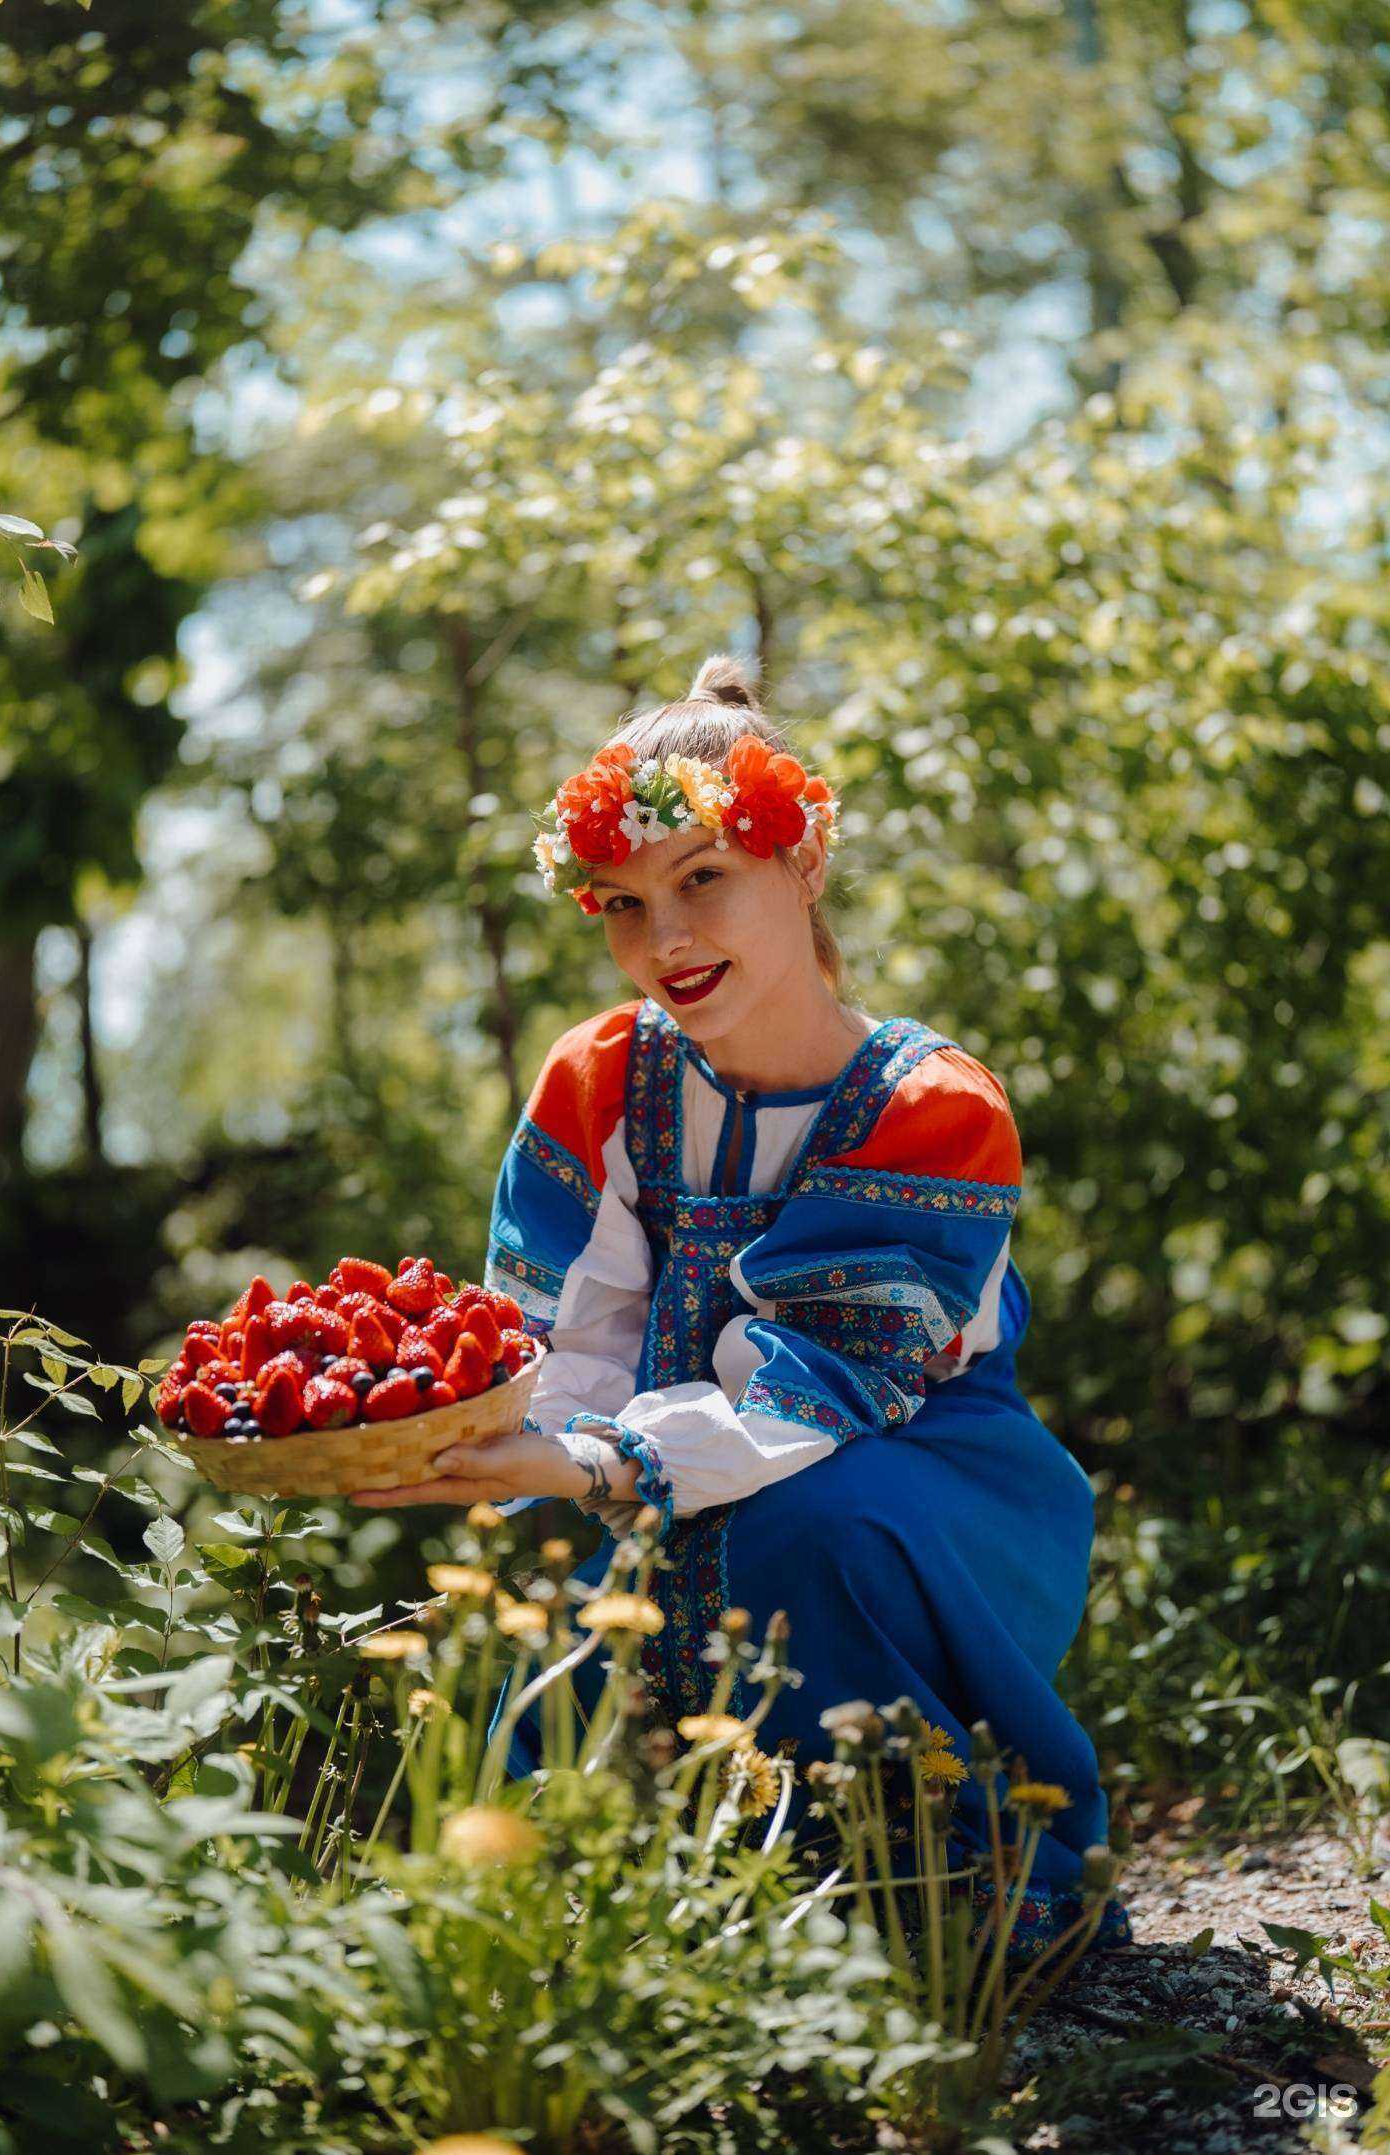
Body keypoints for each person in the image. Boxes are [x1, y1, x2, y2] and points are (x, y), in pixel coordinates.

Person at [353, 652, 1130, 1950]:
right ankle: (654, 1912)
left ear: (805, 857)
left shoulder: (935, 1111)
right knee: (550, 1612)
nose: (662, 942)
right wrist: (507, 1451)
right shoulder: (598, 1082)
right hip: (650, 1465)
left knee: (800, 1525)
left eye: (702, 880)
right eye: (619, 903)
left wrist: (586, 1468)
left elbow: (810, 1385)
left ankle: (952, 1881)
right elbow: (566, 1344)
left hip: (915, 1488)